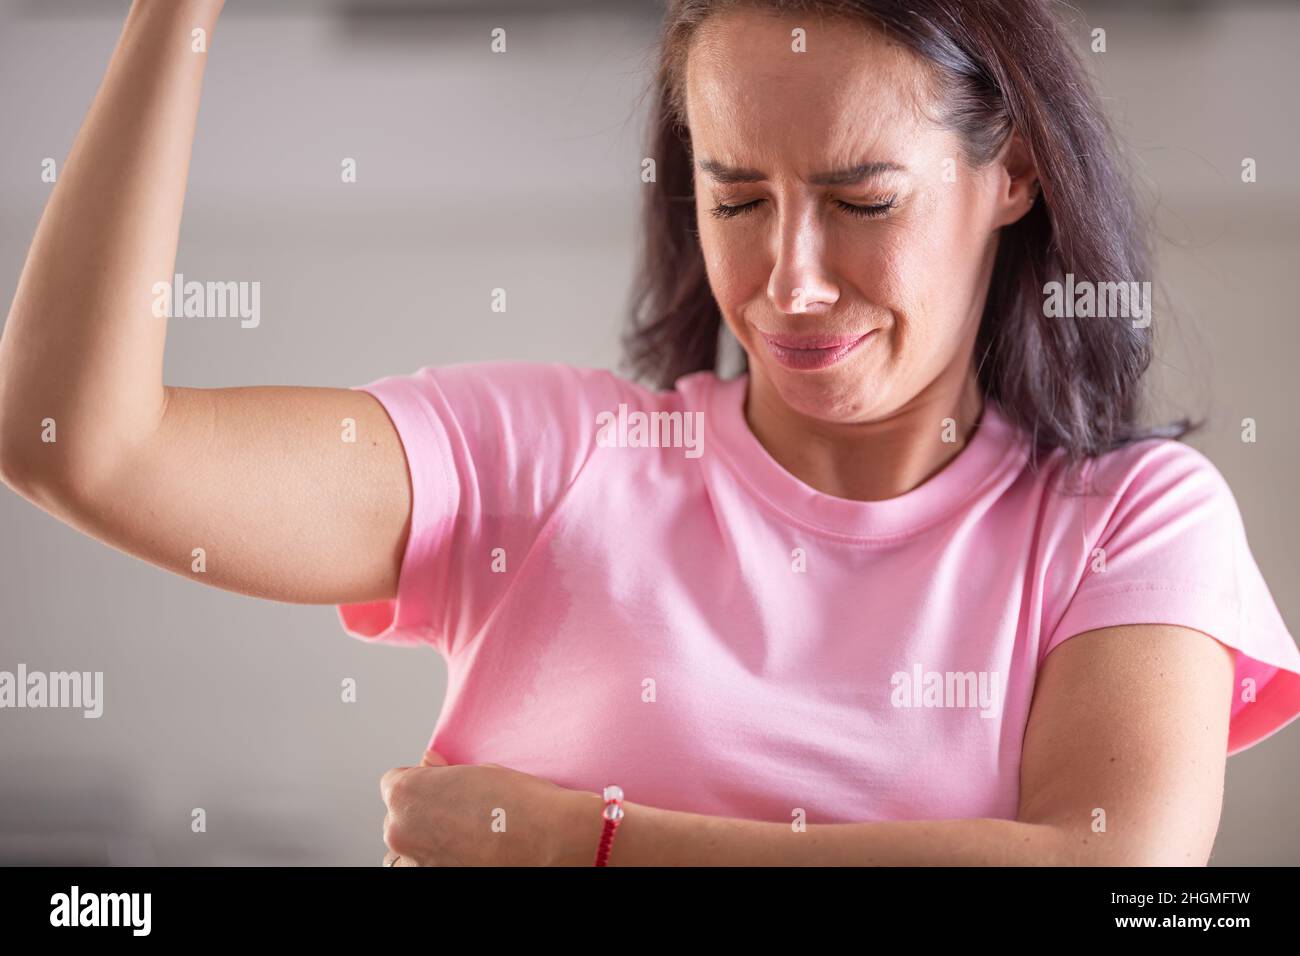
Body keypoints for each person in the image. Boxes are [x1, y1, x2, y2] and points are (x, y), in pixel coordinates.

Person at [1, 0, 1297, 866]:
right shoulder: (544, 462)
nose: (789, 277)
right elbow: (82, 445)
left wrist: (590, 842)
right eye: (736, 198)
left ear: (1010, 174)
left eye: (860, 199)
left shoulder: (1129, 519)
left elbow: (1117, 878)